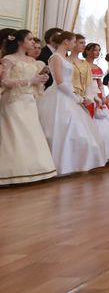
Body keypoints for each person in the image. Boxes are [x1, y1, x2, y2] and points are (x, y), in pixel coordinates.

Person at [35, 30, 107, 175]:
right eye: (74, 42)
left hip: (68, 94)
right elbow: (59, 82)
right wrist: (75, 98)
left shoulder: (64, 58)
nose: (75, 45)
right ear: (66, 42)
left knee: (76, 130)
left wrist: (81, 96)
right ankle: (58, 165)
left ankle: (74, 164)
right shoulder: (55, 57)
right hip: (59, 95)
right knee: (59, 130)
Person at [0, 29, 56, 185]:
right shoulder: (8, 59)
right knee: (14, 135)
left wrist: (40, 80)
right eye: (30, 39)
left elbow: (32, 80)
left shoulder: (32, 61)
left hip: (29, 101)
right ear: (19, 42)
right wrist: (30, 81)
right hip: (13, 101)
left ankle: (34, 170)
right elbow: (4, 81)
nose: (33, 42)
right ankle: (11, 172)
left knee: (31, 133)